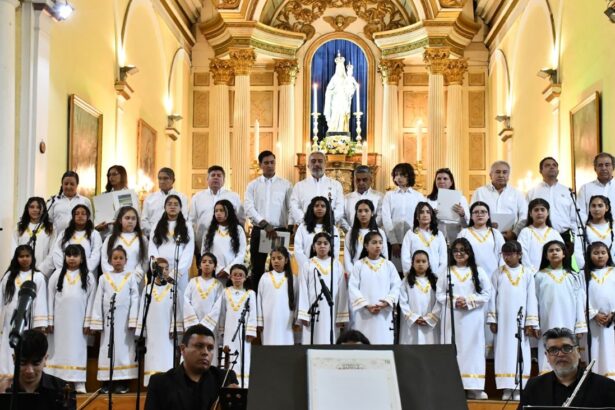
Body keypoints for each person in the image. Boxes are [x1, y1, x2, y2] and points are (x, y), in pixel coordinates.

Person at [436, 238, 491, 399]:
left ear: (469, 252)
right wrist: (454, 301)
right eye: (456, 250)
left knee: (473, 350)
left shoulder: (478, 271)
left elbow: (486, 293)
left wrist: (468, 300)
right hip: (452, 316)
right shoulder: (445, 271)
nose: (459, 253)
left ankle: (474, 387)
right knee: (453, 349)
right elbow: (439, 293)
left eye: (463, 250)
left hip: (472, 317)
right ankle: (452, 385)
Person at [487, 241, 539, 400]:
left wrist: (531, 322)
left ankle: (519, 388)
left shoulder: (527, 273)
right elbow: (492, 298)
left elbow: (532, 298)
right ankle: (506, 388)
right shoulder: (497, 273)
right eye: (505, 254)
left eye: (510, 254)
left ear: (520, 255)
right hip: (503, 321)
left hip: (521, 322)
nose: (507, 257)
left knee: (520, 350)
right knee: (503, 352)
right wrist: (492, 318)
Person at [144, 324, 239, 410]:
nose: (205, 352)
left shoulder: (225, 378)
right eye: (199, 346)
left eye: (210, 348)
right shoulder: (160, 382)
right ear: (182, 349)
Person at [519, 327, 615, 408]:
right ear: (547, 356)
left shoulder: (607, 387)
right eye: (553, 350)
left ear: (578, 352)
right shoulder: (534, 386)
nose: (560, 354)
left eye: (567, 348)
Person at [46, 244, 96, 393]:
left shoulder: (88, 277)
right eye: (69, 255)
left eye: (75, 255)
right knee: (56, 351)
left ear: (82, 259)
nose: (72, 258)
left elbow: (92, 301)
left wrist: (88, 322)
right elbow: (49, 298)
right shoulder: (56, 276)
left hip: (79, 323)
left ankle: (78, 383)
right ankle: (55, 383)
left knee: (78, 350)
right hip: (59, 323)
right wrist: (49, 321)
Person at [90, 245, 140, 393]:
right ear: (110, 261)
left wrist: (133, 320)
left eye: (121, 258)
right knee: (107, 348)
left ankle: (123, 381)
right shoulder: (104, 278)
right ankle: (107, 381)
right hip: (108, 320)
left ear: (126, 260)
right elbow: (98, 299)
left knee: (124, 350)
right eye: (115, 258)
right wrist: (97, 321)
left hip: (124, 322)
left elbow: (135, 299)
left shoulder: (130, 277)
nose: (118, 261)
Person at [534, 240, 587, 373]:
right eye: (550, 251)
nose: (554, 253)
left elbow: (579, 301)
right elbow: (533, 300)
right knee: (548, 347)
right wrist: (534, 323)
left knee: (568, 347)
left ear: (564, 254)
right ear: (546, 256)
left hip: (568, 321)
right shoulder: (539, 276)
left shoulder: (572, 276)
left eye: (557, 250)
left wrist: (580, 324)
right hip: (547, 322)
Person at [244, 150, 292, 287]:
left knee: (280, 268)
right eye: (266, 163)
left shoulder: (286, 185)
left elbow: (291, 207)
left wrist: (292, 226)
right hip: (260, 230)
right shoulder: (252, 185)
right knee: (257, 269)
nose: (270, 165)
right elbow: (248, 207)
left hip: (279, 231)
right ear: (260, 165)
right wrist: (264, 223)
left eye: (272, 162)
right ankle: (257, 303)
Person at [0, 245, 48, 377]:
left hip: (28, 320)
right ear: (16, 258)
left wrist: (40, 324)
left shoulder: (37, 277)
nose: (25, 259)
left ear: (32, 258)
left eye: (27, 256)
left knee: (26, 347)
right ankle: (6, 377)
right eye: (21, 256)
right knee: (8, 346)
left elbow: (41, 301)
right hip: (10, 320)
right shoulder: (9, 276)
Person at [0, 329, 76, 410]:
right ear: (14, 359)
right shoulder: (3, 390)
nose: (29, 370)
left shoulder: (62, 389)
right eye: (23, 362)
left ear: (45, 359)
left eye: (36, 363)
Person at [348, 231, 401, 345]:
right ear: (366, 246)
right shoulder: (359, 265)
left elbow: (396, 286)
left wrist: (387, 302)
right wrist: (367, 305)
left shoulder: (388, 265)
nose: (378, 245)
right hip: (363, 314)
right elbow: (353, 288)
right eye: (374, 242)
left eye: (380, 243)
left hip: (383, 315)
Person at [297, 233, 348, 344]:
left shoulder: (337, 265)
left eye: (326, 243)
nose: (322, 246)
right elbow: (303, 290)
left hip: (332, 312)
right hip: (313, 311)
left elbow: (342, 292)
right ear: (313, 247)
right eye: (319, 243)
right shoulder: (307, 265)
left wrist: (341, 316)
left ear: (330, 247)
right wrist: (303, 314)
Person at [211, 265, 256, 387]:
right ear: (230, 277)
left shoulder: (250, 293)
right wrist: (221, 330)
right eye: (235, 275)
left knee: (244, 357)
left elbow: (253, 313)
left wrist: (251, 331)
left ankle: (244, 385)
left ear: (245, 278)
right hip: (230, 331)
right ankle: (229, 383)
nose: (237, 277)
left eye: (240, 275)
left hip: (244, 333)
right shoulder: (225, 292)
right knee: (228, 356)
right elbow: (221, 313)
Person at [136, 257, 178, 386]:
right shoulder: (148, 289)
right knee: (152, 356)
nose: (164, 271)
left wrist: (174, 328)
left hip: (167, 332)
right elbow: (142, 310)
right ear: (154, 270)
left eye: (167, 268)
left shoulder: (173, 289)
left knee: (167, 357)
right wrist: (141, 331)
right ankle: (152, 384)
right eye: (161, 268)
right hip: (152, 330)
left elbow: (177, 311)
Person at [190, 165, 243, 258]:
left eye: (219, 175)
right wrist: (193, 242)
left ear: (224, 180)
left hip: (228, 245)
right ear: (207, 179)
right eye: (213, 175)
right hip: (202, 244)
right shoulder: (197, 197)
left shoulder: (233, 196)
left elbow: (240, 219)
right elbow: (192, 221)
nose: (216, 177)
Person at [381, 163, 425, 270]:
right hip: (393, 241)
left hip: (413, 239)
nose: (398, 178)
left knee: (411, 269)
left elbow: (422, 218)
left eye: (402, 175)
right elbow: (386, 218)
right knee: (395, 271)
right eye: (396, 175)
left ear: (409, 176)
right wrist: (394, 241)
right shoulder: (389, 195)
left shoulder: (418, 196)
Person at [148, 195, 195, 297]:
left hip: (179, 271)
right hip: (160, 269)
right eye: (169, 204)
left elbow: (189, 250)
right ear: (164, 207)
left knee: (179, 300)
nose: (172, 207)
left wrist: (176, 273)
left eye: (176, 204)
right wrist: (159, 268)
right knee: (159, 299)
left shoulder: (187, 226)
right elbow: (152, 247)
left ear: (180, 208)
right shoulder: (157, 225)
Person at [526, 157, 576, 250]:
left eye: (554, 165)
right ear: (541, 170)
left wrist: (575, 240)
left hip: (564, 236)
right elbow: (526, 216)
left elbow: (574, 218)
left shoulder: (567, 191)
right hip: (538, 236)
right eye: (547, 165)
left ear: (558, 170)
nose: (552, 167)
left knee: (564, 265)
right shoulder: (532, 192)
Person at [183, 253, 224, 366]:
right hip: (194, 325)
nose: (207, 264)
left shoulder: (218, 285)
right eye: (204, 261)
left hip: (210, 326)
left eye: (210, 262)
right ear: (200, 265)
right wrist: (194, 323)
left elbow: (218, 306)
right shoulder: (192, 282)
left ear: (215, 267)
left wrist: (206, 323)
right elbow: (186, 301)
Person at [582, 241, 615, 380]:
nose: (600, 256)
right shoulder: (583, 275)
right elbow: (581, 296)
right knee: (596, 350)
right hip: (594, 322)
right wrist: (594, 314)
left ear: (608, 254)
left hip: (612, 321)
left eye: (603, 253)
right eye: (595, 253)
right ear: (589, 256)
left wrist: (613, 312)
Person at [471, 161, 527, 240]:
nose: (501, 175)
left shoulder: (517, 194)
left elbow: (524, 216)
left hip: (510, 238)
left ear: (508, 176)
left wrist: (514, 233)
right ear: (490, 175)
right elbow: (472, 213)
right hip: (484, 235)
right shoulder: (480, 192)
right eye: (497, 172)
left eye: (504, 172)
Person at [290, 151, 344, 225]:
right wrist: (305, 221)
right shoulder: (299, 186)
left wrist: (328, 221)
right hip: (306, 228)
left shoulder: (336, 185)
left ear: (326, 165)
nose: (317, 164)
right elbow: (294, 207)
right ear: (308, 165)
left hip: (328, 228)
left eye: (320, 161)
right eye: (313, 161)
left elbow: (340, 207)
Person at [257, 247, 297, 346]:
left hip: (286, 320)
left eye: (279, 258)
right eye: (273, 258)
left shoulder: (293, 279)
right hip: (268, 320)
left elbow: (297, 300)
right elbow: (259, 300)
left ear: (286, 260)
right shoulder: (265, 277)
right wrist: (259, 321)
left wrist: (296, 319)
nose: (276, 261)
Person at [399, 250, 440, 345]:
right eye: (417, 261)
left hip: (430, 322)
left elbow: (439, 301)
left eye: (423, 261)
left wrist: (430, 318)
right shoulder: (406, 280)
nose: (420, 264)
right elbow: (402, 301)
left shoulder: (435, 280)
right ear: (412, 263)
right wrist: (414, 318)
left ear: (429, 264)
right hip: (412, 323)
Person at [101, 206, 149, 285]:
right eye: (127, 218)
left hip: (136, 280)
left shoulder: (142, 239)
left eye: (133, 218)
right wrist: (114, 276)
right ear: (120, 220)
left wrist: (136, 277)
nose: (130, 221)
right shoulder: (111, 238)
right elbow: (105, 260)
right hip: (114, 281)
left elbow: (145, 261)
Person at [201, 199, 247, 281]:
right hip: (214, 271)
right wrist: (217, 268)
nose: (218, 213)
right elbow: (204, 252)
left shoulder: (238, 229)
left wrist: (228, 270)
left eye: (221, 210)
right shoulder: (209, 230)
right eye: (216, 211)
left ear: (228, 211)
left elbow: (241, 253)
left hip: (232, 273)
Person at [51, 204, 102, 275]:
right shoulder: (64, 233)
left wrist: (86, 269)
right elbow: (57, 251)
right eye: (77, 214)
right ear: (73, 217)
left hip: (87, 273)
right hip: (66, 272)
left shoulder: (94, 234)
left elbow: (96, 254)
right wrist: (64, 269)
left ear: (88, 217)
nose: (80, 216)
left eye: (83, 214)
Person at [294, 196, 341, 272]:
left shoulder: (333, 229)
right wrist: (308, 266)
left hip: (327, 269)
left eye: (323, 206)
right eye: (316, 206)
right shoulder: (303, 227)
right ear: (311, 208)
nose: (319, 208)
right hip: (306, 269)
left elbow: (335, 250)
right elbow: (298, 250)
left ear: (327, 209)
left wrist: (326, 265)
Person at [401, 202, 448, 276]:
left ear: (431, 215)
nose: (425, 215)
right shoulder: (410, 234)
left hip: (436, 277)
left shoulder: (439, 235)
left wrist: (437, 276)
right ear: (417, 216)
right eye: (422, 212)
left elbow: (443, 259)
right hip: (416, 277)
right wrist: (410, 276)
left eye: (428, 212)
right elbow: (405, 258)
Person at [343, 199, 388, 276]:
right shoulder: (350, 233)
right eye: (360, 211)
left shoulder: (380, 233)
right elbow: (347, 257)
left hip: (376, 272)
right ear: (356, 214)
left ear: (372, 213)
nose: (363, 214)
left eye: (366, 211)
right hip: (355, 273)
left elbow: (384, 254)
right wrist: (353, 273)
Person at [13, 196, 55, 276]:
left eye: (38, 207)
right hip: (22, 270)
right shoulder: (19, 227)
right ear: (27, 209)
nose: (35, 210)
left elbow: (53, 251)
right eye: (32, 207)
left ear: (43, 210)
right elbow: (14, 249)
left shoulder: (51, 228)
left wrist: (41, 270)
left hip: (42, 272)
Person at [517, 198, 563, 271]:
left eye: (542, 209)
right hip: (530, 273)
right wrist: (531, 271)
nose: (539, 213)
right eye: (536, 210)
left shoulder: (554, 233)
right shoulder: (525, 232)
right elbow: (522, 253)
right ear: (530, 213)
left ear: (547, 213)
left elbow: (561, 253)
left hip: (552, 273)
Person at [141, 167, 189, 236]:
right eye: (159, 178)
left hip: (174, 236)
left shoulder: (182, 197)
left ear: (173, 180)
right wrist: (154, 232)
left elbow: (184, 218)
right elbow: (144, 220)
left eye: (165, 178)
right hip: (152, 236)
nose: (162, 181)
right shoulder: (149, 198)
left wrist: (171, 233)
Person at [426, 168, 469, 243]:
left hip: (456, 236)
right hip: (434, 237)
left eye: (445, 179)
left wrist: (462, 214)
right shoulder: (429, 200)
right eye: (438, 179)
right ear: (435, 181)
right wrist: (432, 217)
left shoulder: (461, 198)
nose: (441, 181)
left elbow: (467, 224)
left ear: (451, 182)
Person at [574, 195, 614, 269]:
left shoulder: (613, 227)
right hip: (589, 268)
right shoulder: (582, 228)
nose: (596, 209)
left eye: (600, 206)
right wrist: (584, 268)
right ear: (589, 209)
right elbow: (578, 251)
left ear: (607, 208)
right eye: (593, 206)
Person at [340, 165, 383, 232]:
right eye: (358, 180)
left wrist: (369, 230)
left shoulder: (379, 197)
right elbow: (342, 217)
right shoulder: (346, 198)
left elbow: (380, 217)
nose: (361, 183)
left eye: (364, 180)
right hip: (352, 235)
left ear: (371, 180)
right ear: (354, 180)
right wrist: (351, 231)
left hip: (373, 234)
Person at [577, 152, 615, 222]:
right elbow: (580, 214)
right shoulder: (585, 189)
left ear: (613, 167)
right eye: (600, 165)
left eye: (607, 165)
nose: (604, 168)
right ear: (595, 168)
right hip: (592, 231)